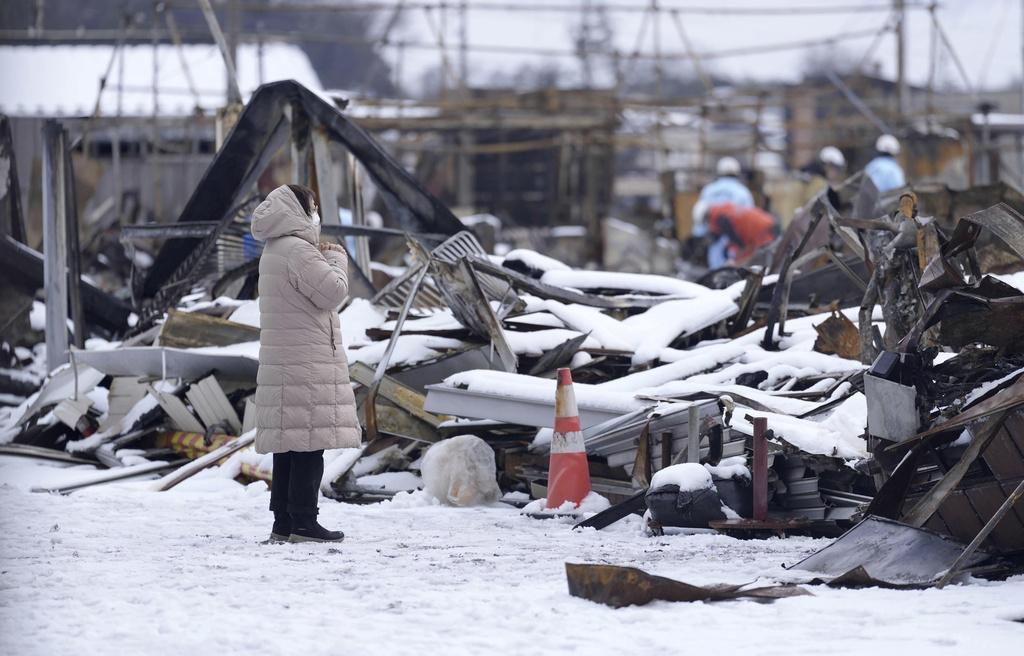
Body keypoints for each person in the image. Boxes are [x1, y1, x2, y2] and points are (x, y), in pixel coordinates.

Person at [250, 184, 362, 544]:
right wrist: (336, 259)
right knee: (310, 445)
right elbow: (333, 292)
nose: (316, 213)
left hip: (286, 360)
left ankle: (283, 521)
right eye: (312, 206)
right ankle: (304, 521)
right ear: (298, 210)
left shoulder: (274, 248)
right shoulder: (298, 250)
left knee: (289, 444)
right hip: (306, 362)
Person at [692, 157, 755, 267]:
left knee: (715, 274)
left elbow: (700, 218)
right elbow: (749, 219)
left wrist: (699, 236)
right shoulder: (743, 192)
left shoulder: (709, 190)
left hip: (713, 239)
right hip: (736, 242)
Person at [705, 202, 780, 267]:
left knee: (764, 261)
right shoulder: (725, 210)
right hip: (768, 223)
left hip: (764, 230)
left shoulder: (721, 219)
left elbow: (741, 245)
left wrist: (736, 262)